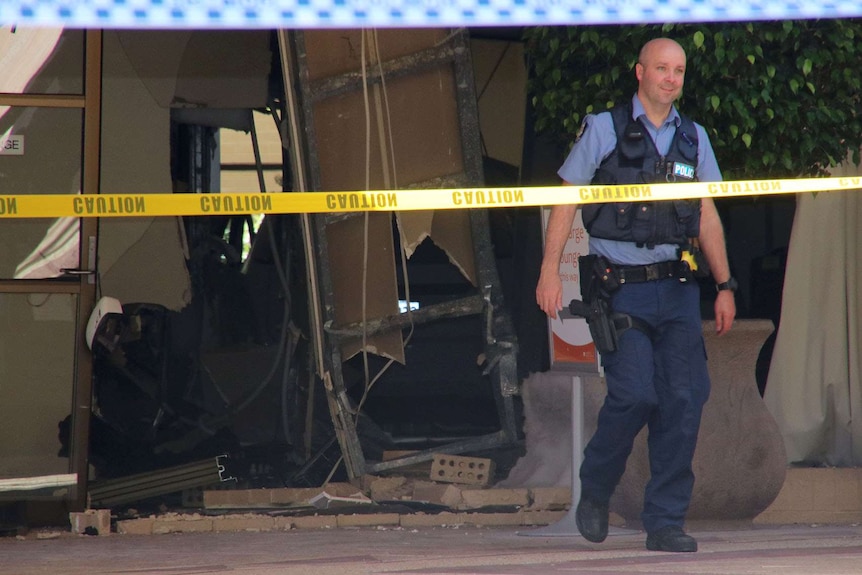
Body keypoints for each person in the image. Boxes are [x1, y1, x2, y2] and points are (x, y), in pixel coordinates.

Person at [536, 38, 736, 553]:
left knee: (684, 400)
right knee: (634, 395)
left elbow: (706, 212)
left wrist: (724, 284)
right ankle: (596, 489)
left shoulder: (694, 137)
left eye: (679, 71)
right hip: (619, 290)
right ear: (639, 73)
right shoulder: (603, 128)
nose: (671, 79)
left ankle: (665, 522)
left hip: (676, 289)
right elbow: (566, 198)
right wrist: (549, 272)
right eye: (662, 69)